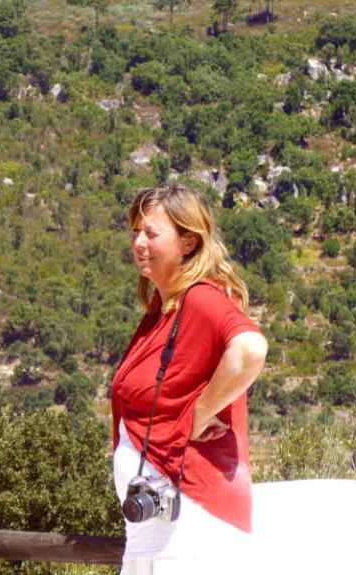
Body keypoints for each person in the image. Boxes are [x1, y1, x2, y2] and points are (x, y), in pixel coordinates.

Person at [110, 185, 268, 575]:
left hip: (190, 523)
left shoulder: (201, 298)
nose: (138, 243)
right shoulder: (164, 310)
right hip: (154, 532)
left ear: (188, 242)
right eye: (135, 232)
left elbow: (250, 349)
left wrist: (198, 415)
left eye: (151, 233)